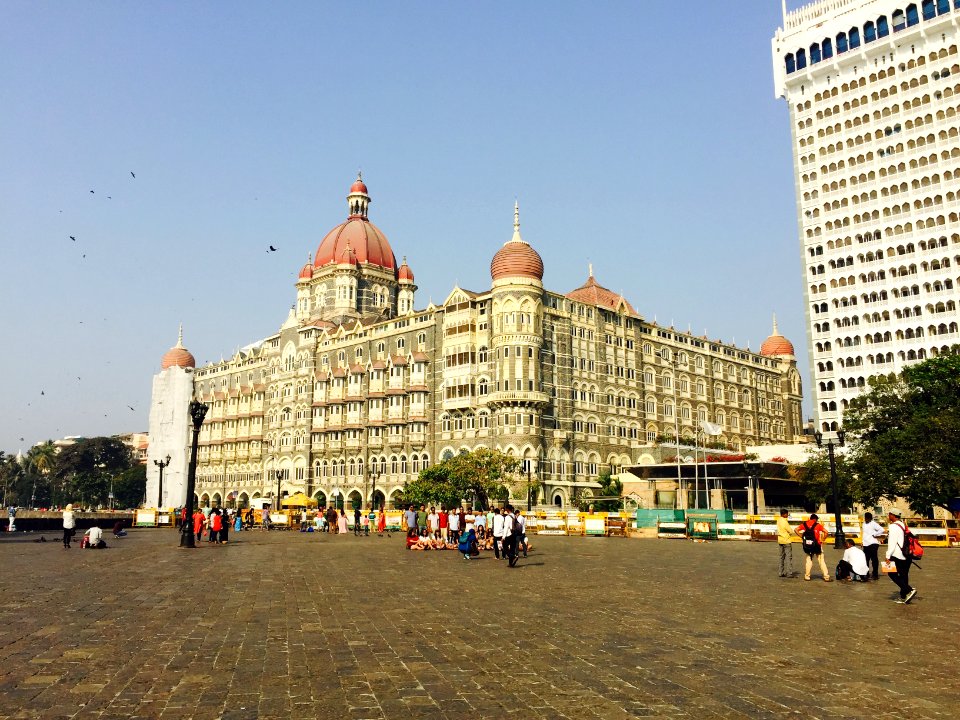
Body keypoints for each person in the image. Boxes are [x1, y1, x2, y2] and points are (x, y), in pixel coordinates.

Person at [885, 509, 917, 604]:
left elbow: (892, 542)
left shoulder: (893, 526)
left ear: (893, 515)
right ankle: (904, 596)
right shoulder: (903, 524)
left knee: (891, 573)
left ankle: (908, 590)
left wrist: (888, 555)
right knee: (904, 575)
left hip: (897, 554)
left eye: (889, 514)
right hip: (907, 554)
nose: (888, 516)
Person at [795, 513, 831, 582]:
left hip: (808, 546)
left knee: (809, 560)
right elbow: (826, 532)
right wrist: (823, 539)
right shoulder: (818, 525)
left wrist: (802, 537)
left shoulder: (804, 524)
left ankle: (807, 576)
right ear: (815, 519)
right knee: (821, 561)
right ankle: (826, 577)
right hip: (817, 545)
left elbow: (796, 530)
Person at [861, 512, 885, 581]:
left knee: (874, 559)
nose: (866, 519)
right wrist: (862, 542)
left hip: (873, 543)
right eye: (865, 518)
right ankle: (866, 573)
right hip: (866, 544)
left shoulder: (873, 524)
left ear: (870, 518)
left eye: (868, 518)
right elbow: (864, 533)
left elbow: (882, 529)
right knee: (866, 559)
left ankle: (875, 574)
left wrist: (875, 534)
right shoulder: (863, 524)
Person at [776, 509, 795, 578]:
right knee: (788, 557)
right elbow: (790, 530)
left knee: (781, 557)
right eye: (787, 514)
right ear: (784, 514)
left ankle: (781, 572)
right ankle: (789, 573)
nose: (787, 515)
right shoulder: (785, 521)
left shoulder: (778, 520)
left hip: (780, 540)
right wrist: (791, 532)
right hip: (786, 540)